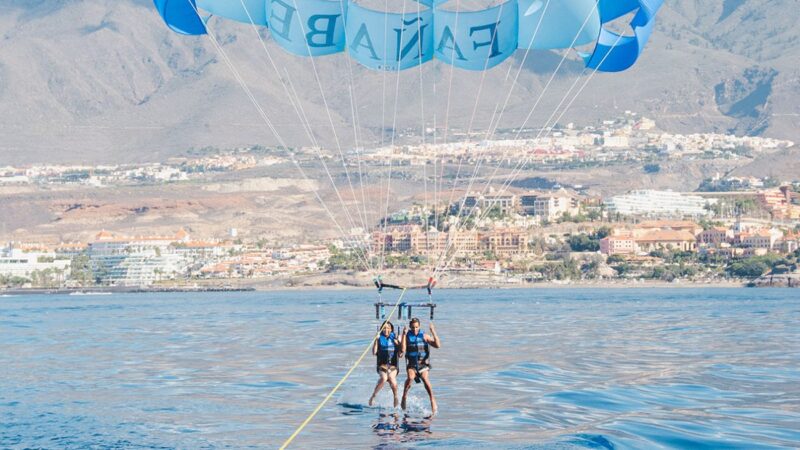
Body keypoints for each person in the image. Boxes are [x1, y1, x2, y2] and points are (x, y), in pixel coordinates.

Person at [400, 318, 441, 413]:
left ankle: (432, 398)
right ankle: (404, 396)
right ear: (410, 327)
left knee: (425, 380)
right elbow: (402, 350)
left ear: (419, 326)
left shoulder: (425, 336)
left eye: (417, 327)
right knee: (410, 378)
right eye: (413, 327)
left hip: (423, 364)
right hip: (411, 364)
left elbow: (438, 345)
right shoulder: (406, 336)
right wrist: (403, 334)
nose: (415, 329)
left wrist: (433, 331)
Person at [369, 320, 401, 408]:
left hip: (393, 366)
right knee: (384, 378)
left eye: (388, 328)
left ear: (391, 329)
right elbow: (374, 352)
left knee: (391, 379)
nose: (386, 330)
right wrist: (376, 340)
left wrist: (399, 344)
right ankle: (373, 396)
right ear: (381, 329)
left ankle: (395, 397)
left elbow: (401, 355)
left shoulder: (395, 338)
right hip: (381, 366)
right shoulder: (379, 338)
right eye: (384, 328)